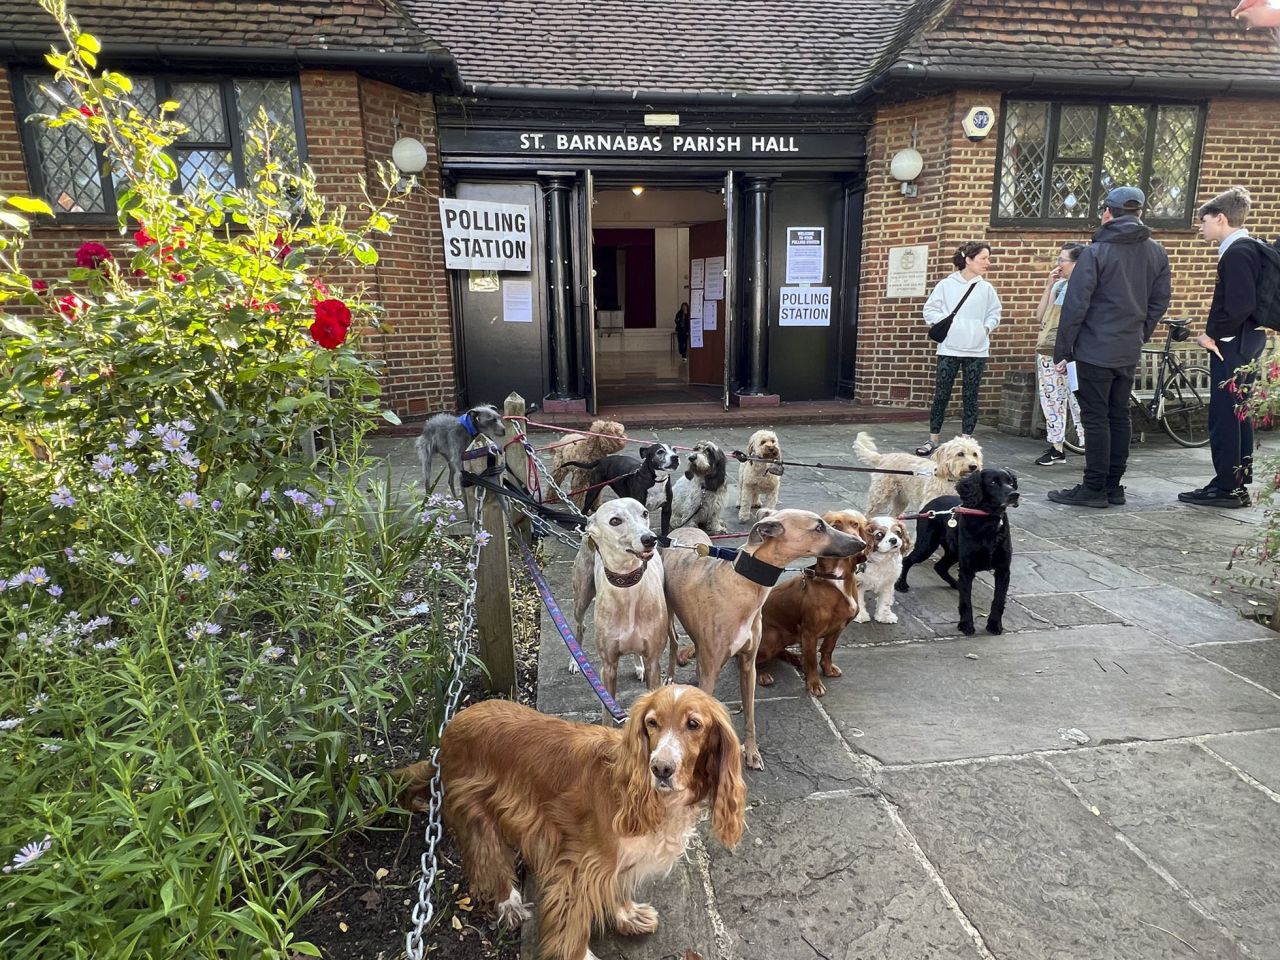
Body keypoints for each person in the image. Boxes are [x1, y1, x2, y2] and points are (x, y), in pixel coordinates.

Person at [1048, 186, 1171, 508]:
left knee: (1096, 418)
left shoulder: (1096, 252)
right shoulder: (1157, 251)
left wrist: (1062, 350)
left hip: (1093, 349)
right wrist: (1141, 333)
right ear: (1139, 212)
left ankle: (1093, 488)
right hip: (1128, 347)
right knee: (1119, 416)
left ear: (1107, 213)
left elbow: (1076, 305)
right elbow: (1159, 301)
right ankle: (1113, 486)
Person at [1178, 186, 1267, 508]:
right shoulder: (1250, 247)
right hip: (1247, 339)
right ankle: (1236, 482)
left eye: (1204, 221)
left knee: (1225, 415)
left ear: (1221, 218)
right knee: (1238, 412)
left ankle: (1227, 487)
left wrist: (1210, 334)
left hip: (1234, 343)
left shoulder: (1238, 251)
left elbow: (1240, 305)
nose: (1201, 228)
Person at [916, 242, 1002, 456]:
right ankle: (933, 439)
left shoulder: (986, 288)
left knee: (971, 395)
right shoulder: (946, 285)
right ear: (968, 259)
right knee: (941, 394)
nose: (987, 263)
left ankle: (967, 442)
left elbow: (995, 312)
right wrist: (949, 325)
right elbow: (930, 309)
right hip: (949, 349)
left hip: (977, 350)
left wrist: (985, 328)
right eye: (983, 258)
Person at [1032, 242, 1087, 465]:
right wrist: (1048, 286)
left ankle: (1089, 445)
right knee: (1051, 399)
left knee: (1079, 400)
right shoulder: (1059, 286)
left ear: (1077, 263)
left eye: (1062, 260)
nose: (1058, 264)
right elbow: (1040, 316)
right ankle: (1056, 447)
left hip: (1074, 353)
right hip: (1049, 351)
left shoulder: (1087, 287)